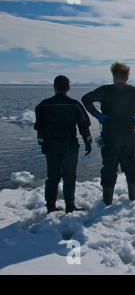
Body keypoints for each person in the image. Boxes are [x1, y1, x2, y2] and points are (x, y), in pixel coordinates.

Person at [81, 62, 135, 205]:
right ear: (127, 77)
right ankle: (133, 198)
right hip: (128, 134)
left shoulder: (104, 90)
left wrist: (96, 114)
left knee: (109, 166)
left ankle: (107, 201)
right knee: (130, 164)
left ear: (113, 76)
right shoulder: (134, 91)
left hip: (109, 134)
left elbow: (85, 99)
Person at [34, 75, 92, 214]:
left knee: (52, 176)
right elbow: (84, 125)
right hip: (69, 146)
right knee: (69, 176)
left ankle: (50, 206)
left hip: (51, 146)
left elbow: (40, 129)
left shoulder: (43, 105)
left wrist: (42, 144)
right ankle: (70, 206)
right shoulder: (74, 105)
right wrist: (88, 142)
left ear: (54, 88)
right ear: (69, 88)